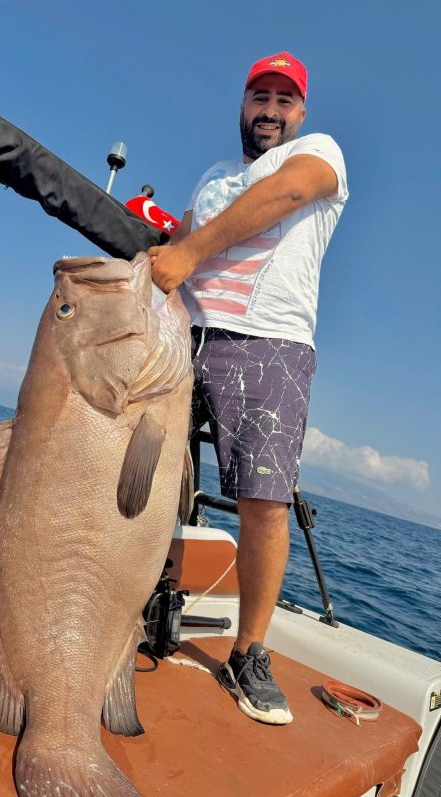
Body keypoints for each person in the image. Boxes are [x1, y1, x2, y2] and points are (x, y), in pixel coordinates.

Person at [149, 51, 348, 725]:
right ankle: (129, 599)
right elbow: (183, 232)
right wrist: (164, 230)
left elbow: (288, 194)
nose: (269, 109)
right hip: (185, 335)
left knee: (263, 499)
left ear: (301, 113)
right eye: (259, 96)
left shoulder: (320, 153)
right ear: (242, 103)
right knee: (143, 474)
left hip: (269, 342)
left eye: (283, 100)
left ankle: (248, 653)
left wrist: (188, 251)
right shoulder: (214, 176)